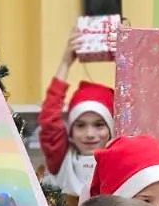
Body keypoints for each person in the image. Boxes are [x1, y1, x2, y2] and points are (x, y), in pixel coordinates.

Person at [38, 27, 115, 196]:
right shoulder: (60, 158)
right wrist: (66, 62)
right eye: (80, 125)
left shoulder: (120, 160)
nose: (90, 134)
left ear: (112, 129)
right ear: (70, 131)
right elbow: (49, 120)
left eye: (99, 125)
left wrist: (126, 57)